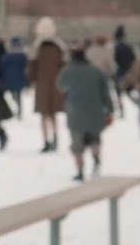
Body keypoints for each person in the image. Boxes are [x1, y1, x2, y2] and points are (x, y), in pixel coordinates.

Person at [57, 41, 115, 182]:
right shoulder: (96, 72)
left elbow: (60, 86)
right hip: (95, 113)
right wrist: (110, 110)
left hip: (76, 113)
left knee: (77, 146)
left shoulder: (67, 71)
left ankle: (80, 171)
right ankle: (96, 158)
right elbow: (105, 93)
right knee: (95, 139)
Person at [29, 17, 67, 153]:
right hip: (56, 84)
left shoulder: (37, 48)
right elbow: (64, 66)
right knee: (53, 114)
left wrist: (31, 81)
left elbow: (32, 67)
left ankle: (46, 140)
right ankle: (56, 137)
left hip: (42, 84)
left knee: (44, 115)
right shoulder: (59, 47)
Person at [0, 37, 28, 119]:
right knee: (18, 95)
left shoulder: (8, 56)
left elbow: (3, 66)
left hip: (10, 78)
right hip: (19, 78)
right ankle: (19, 110)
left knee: (14, 95)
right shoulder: (22, 56)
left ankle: (17, 109)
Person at [113, 25, 136, 118]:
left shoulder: (115, 48)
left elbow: (113, 60)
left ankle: (121, 109)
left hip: (118, 72)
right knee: (128, 91)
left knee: (118, 94)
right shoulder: (128, 47)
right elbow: (134, 59)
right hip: (128, 72)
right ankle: (137, 104)